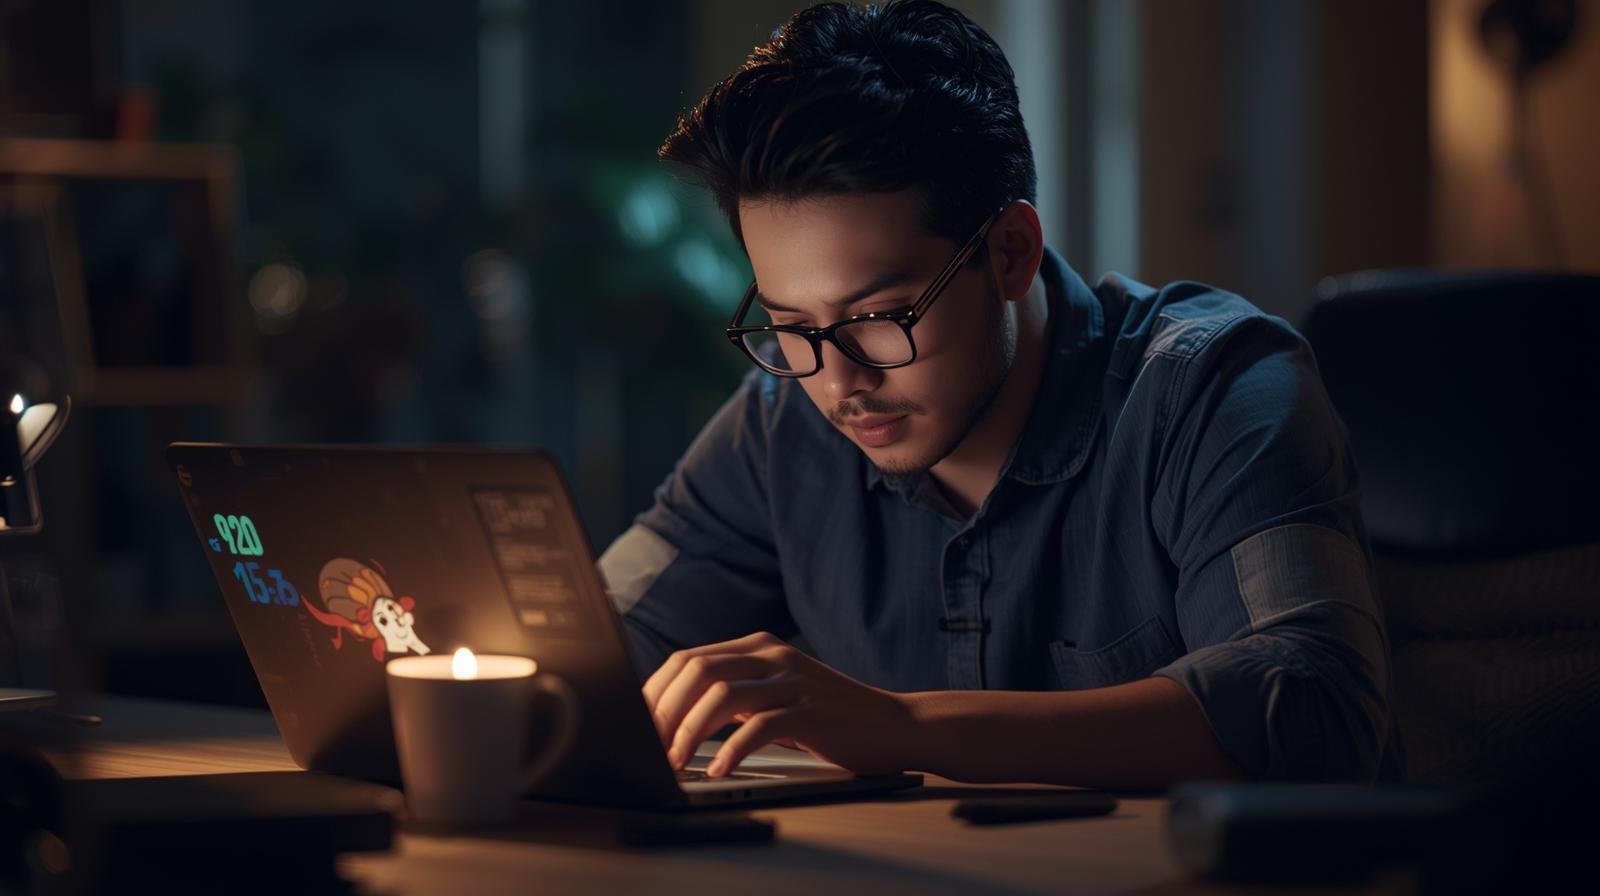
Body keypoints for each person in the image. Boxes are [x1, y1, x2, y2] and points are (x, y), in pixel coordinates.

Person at [598, 0, 1394, 787]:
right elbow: (595, 638)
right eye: (791, 324)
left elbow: (1316, 703)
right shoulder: (781, 424)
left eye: (878, 317)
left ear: (1010, 252)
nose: (839, 381)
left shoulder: (1213, 388)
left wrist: (903, 729)